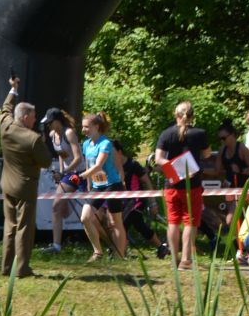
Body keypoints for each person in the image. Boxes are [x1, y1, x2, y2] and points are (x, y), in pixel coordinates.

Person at [0, 77, 52, 278]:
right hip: (26, 188)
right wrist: (43, 143)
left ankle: (6, 267)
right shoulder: (33, 139)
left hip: (7, 185)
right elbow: (46, 162)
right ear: (25, 117)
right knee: (24, 229)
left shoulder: (5, 126)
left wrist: (13, 90)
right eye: (33, 117)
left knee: (9, 226)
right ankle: (21, 269)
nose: (35, 120)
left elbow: (5, 108)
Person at [154, 102, 211, 268]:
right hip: (192, 185)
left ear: (176, 115)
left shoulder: (166, 134)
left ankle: (174, 259)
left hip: (172, 184)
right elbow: (207, 154)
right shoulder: (200, 133)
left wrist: (176, 168)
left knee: (172, 221)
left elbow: (158, 159)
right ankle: (186, 259)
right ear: (192, 116)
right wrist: (186, 166)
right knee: (190, 222)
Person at [79, 112, 127, 261]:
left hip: (112, 185)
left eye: (86, 127)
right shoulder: (86, 144)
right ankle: (97, 252)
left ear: (96, 127)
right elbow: (89, 164)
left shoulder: (105, 143)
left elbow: (98, 165)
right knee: (85, 217)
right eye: (82, 127)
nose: (83, 130)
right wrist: (88, 183)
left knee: (115, 222)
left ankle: (120, 255)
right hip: (97, 186)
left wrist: (81, 176)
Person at [113, 140, 167, 257]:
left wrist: (152, 203)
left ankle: (120, 251)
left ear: (119, 152)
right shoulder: (113, 167)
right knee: (139, 225)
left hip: (137, 201)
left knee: (124, 222)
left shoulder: (133, 164)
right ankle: (161, 247)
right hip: (123, 201)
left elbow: (147, 182)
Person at [40, 107, 83, 254]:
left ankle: (56, 246)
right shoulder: (53, 135)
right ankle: (56, 245)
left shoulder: (69, 133)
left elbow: (78, 158)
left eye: (50, 122)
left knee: (56, 207)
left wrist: (63, 172)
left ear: (57, 121)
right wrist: (60, 172)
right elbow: (61, 154)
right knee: (62, 211)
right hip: (67, 174)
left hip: (78, 174)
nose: (48, 125)